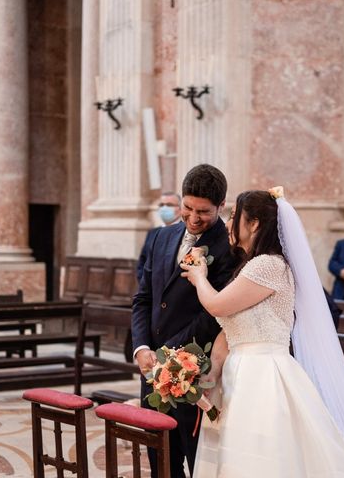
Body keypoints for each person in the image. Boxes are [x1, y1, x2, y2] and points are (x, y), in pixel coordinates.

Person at [181, 189, 344, 478]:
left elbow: (217, 306)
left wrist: (199, 277)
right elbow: (229, 327)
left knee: (265, 459)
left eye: (235, 216)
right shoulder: (250, 266)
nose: (230, 224)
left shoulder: (269, 265)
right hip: (239, 373)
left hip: (263, 376)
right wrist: (213, 370)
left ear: (254, 223)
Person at [131, 165, 236, 478]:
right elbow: (143, 298)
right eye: (187, 207)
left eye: (203, 211)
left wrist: (169, 353)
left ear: (221, 206)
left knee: (198, 460)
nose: (193, 218)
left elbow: (215, 312)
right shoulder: (161, 237)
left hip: (196, 367)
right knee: (159, 460)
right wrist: (142, 348)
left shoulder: (228, 247)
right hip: (152, 369)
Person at [136, 192, 182, 282]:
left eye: (169, 205)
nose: (164, 208)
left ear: (180, 209)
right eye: (161, 205)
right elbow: (143, 261)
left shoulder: (185, 232)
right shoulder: (152, 233)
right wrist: (144, 283)